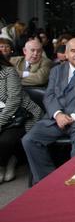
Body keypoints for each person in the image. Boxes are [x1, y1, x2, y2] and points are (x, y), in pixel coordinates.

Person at [22, 38, 75, 184]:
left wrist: (73, 116)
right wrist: (58, 114)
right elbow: (49, 96)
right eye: (73, 51)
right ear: (65, 54)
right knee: (29, 140)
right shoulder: (56, 71)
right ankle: (48, 182)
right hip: (55, 119)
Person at [0, 53, 43, 183]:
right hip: (3, 114)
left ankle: (7, 162)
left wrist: (0, 122)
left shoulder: (8, 72)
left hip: (21, 115)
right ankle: (5, 161)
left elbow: (14, 100)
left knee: (4, 140)